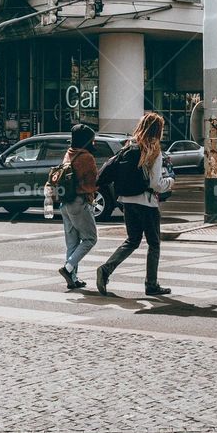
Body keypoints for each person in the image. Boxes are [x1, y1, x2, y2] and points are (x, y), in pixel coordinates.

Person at [96, 111, 174, 297]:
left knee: (132, 241)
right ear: (158, 130)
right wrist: (170, 181)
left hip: (127, 202)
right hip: (146, 203)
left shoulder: (129, 146)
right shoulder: (153, 149)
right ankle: (151, 284)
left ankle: (106, 269)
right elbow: (156, 184)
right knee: (154, 244)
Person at [57, 123, 98, 290]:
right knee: (90, 239)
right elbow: (94, 181)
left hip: (65, 202)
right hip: (79, 202)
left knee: (72, 243)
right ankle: (68, 268)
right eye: (92, 140)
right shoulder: (87, 157)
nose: (94, 143)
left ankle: (72, 279)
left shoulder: (69, 153)